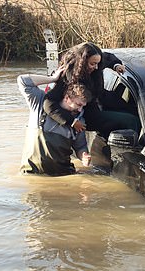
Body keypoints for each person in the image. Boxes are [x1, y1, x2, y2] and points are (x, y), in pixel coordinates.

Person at [43, 42, 126, 173]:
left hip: (96, 99)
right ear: (82, 61)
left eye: (98, 63)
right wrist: (71, 122)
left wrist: (116, 65)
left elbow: (108, 58)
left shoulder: (97, 63)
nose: (96, 67)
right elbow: (48, 104)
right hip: (82, 115)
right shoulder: (66, 76)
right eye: (92, 64)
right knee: (128, 120)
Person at [17, 68, 92, 176]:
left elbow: (80, 147)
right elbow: (23, 80)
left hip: (63, 175)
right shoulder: (39, 102)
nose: (80, 110)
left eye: (83, 106)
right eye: (78, 104)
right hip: (31, 174)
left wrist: (84, 156)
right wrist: (52, 79)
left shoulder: (79, 121)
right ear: (67, 97)